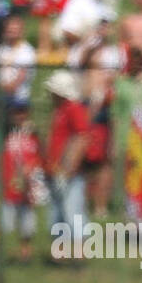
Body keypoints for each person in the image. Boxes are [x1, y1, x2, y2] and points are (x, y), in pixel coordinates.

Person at [42, 69, 91, 265]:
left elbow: (81, 137)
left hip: (67, 172)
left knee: (73, 212)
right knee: (57, 214)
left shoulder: (73, 108)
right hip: (55, 170)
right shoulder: (61, 109)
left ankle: (79, 254)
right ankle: (59, 254)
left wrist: (69, 167)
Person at [1, 99, 43, 263]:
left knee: (27, 224)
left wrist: (30, 168)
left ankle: (25, 252)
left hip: (28, 188)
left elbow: (39, 156)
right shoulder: (6, 134)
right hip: (8, 186)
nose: (20, 116)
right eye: (16, 112)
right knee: (5, 224)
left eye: (23, 112)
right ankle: (0, 254)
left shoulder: (33, 135)